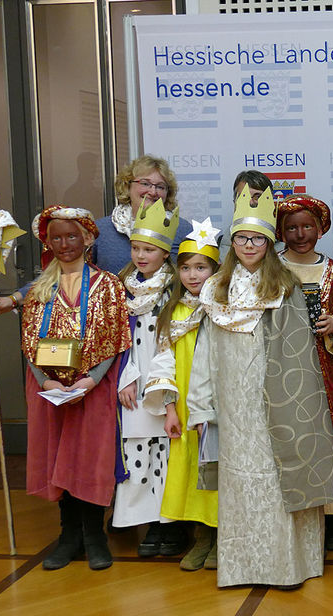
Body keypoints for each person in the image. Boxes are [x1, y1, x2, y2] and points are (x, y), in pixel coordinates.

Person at [188, 184, 333, 589]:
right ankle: (244, 565)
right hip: (233, 404)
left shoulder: (284, 287)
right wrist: (201, 404)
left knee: (280, 479)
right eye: (242, 237)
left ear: (269, 241)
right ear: (233, 241)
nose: (250, 245)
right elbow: (205, 351)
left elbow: (299, 358)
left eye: (258, 238)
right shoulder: (216, 288)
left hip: (276, 401)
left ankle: (287, 565)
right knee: (241, 480)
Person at [21, 205, 131, 570]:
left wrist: (92, 379)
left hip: (92, 388)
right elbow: (30, 344)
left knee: (90, 458)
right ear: (47, 242)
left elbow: (117, 337)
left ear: (87, 237)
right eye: (56, 237)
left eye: (71, 236)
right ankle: (69, 536)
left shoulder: (108, 285)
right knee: (57, 458)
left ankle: (94, 535)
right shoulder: (39, 288)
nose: (64, 244)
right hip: (50, 390)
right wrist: (45, 381)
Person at [0, 155, 190, 315]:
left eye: (160, 186)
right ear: (127, 186)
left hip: (167, 325)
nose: (153, 191)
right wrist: (14, 298)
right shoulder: (100, 231)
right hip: (110, 328)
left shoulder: (182, 230)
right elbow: (65, 274)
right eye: (145, 183)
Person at [276, 194, 333, 551]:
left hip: (323, 366)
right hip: (283, 368)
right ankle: (294, 511)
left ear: (320, 229)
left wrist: (332, 325)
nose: (300, 234)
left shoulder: (332, 270)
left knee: (329, 433)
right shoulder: (271, 267)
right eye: (291, 228)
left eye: (307, 226)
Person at [143, 218, 222, 571]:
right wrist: (170, 408)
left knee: (217, 468)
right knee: (191, 470)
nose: (192, 275)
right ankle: (201, 538)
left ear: (215, 270)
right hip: (185, 411)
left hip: (216, 406)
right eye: (187, 267)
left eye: (201, 267)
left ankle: (222, 537)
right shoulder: (172, 313)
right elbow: (163, 363)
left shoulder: (222, 311)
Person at [113, 199, 186, 556]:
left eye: (150, 249)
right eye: (136, 248)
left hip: (165, 379)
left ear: (164, 252)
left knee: (167, 454)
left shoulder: (176, 288)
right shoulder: (122, 289)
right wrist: (126, 376)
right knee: (138, 450)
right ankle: (146, 525)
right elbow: (114, 338)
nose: (141, 255)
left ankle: (170, 526)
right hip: (133, 380)